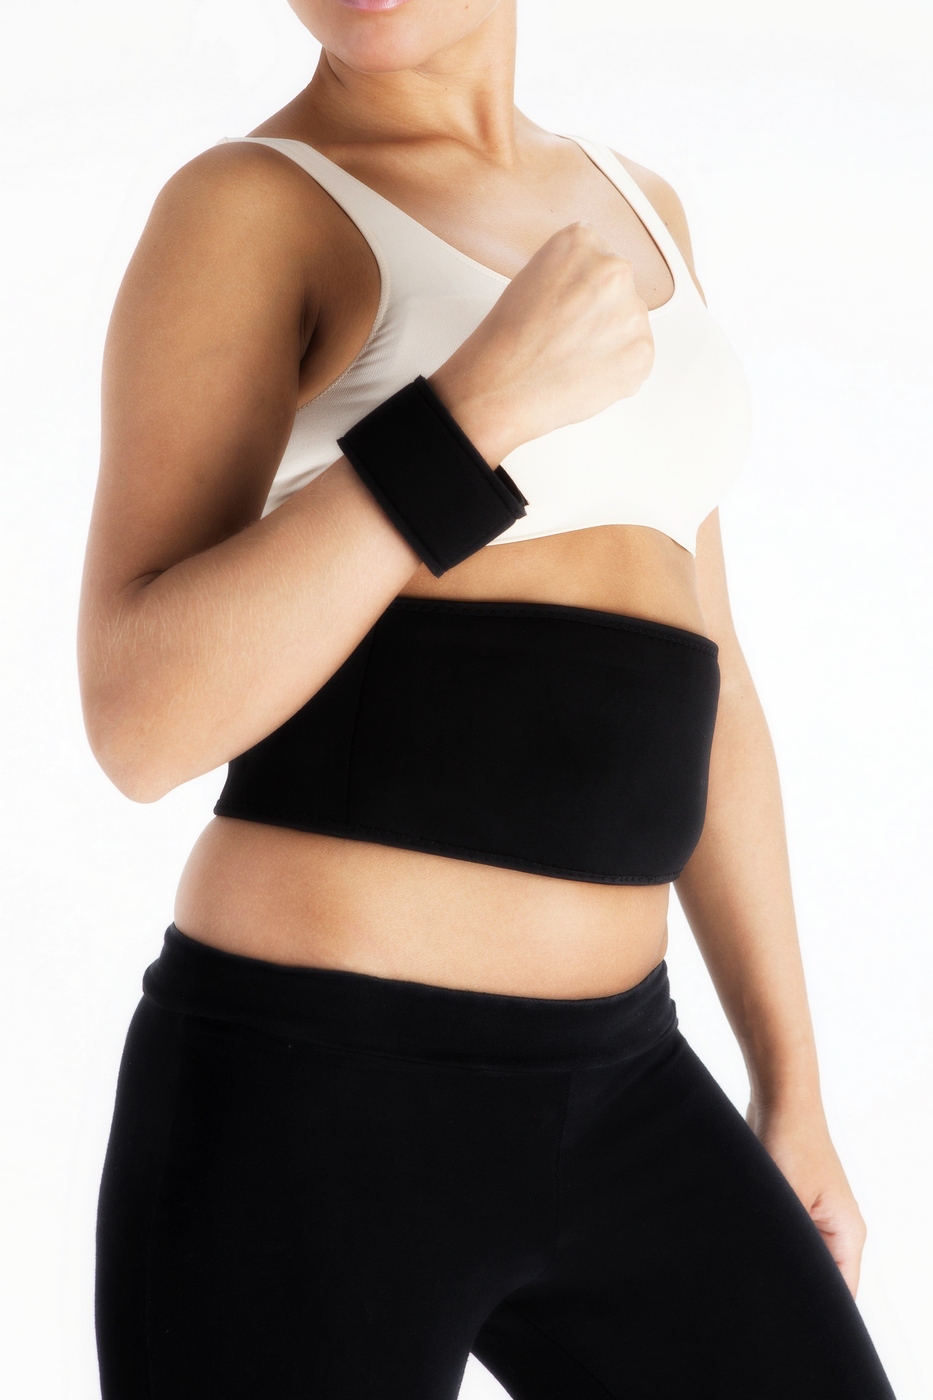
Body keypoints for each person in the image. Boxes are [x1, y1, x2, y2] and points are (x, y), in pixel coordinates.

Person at [79, 2, 896, 1396]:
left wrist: (791, 1084)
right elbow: (138, 719)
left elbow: (714, 668)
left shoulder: (643, 209)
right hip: (309, 1089)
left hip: (626, 1078)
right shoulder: (252, 205)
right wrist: (470, 415)